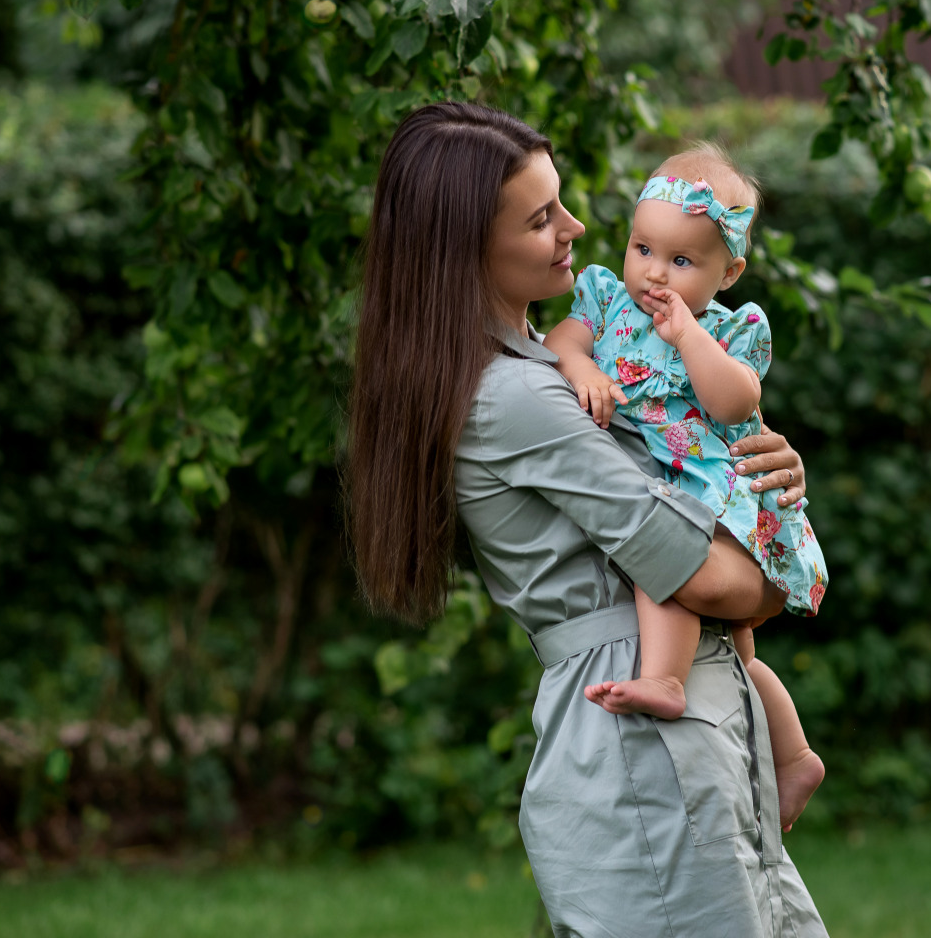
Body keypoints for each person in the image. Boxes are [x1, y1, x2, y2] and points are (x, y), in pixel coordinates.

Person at [347, 102, 829, 937]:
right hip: (646, 753)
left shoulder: (561, 361)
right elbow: (704, 576)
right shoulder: (520, 395)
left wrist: (761, 472)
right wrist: (776, 550)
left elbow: (693, 455)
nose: (574, 227)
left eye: (561, 202)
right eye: (541, 218)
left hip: (681, 744)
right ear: (465, 246)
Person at [542, 143, 827, 831]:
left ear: (728, 272)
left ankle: (665, 680)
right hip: (670, 483)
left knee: (662, 562)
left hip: (714, 487)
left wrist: (689, 336)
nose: (654, 273)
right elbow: (560, 343)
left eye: (681, 261)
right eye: (643, 248)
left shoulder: (732, 328)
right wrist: (582, 370)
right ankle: (795, 757)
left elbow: (733, 403)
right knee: (739, 655)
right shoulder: (605, 299)